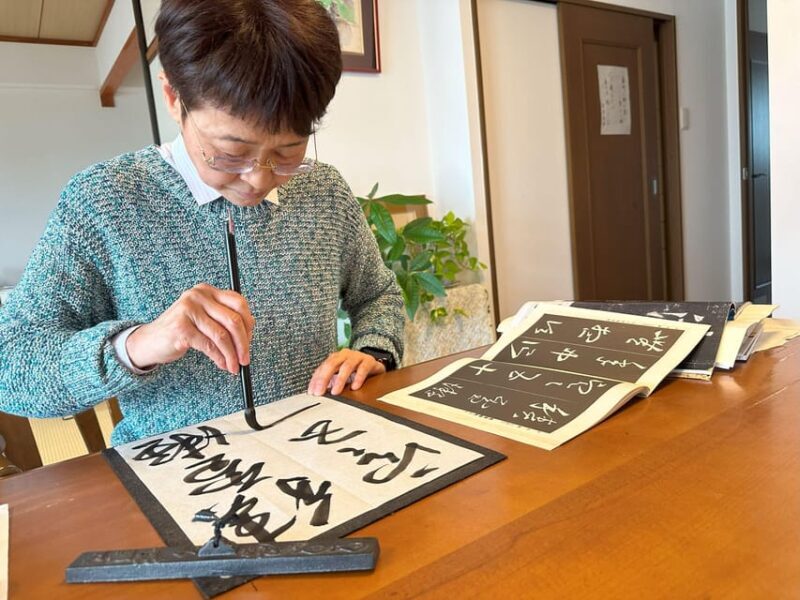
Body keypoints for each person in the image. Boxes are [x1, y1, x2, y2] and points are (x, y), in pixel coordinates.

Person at [0, 0, 404, 444]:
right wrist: (139, 344)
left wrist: (373, 350)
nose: (258, 178)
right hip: (174, 480)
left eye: (288, 152)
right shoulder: (103, 200)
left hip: (317, 454)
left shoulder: (324, 191)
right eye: (230, 152)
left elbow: (378, 294)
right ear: (174, 97)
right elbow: (12, 365)